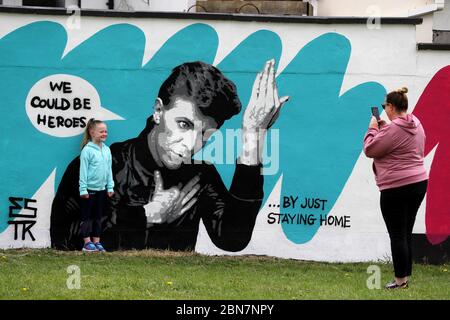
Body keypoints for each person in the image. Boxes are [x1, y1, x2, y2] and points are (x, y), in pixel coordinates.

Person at [51, 59, 289, 252]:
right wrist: (145, 216)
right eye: (184, 124)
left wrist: (253, 137)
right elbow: (65, 240)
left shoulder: (200, 174)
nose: (191, 144)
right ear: (158, 111)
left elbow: (232, 239)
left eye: (205, 134)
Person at [363, 87, 428, 289]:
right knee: (406, 232)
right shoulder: (415, 123)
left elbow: (370, 149)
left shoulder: (393, 129)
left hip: (396, 187)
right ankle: (405, 277)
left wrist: (373, 128)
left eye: (385, 107)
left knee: (397, 235)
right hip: (418, 183)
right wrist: (385, 129)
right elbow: (402, 143)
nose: (384, 110)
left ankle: (400, 281)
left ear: (391, 106)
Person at [78, 118, 114, 252]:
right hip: (88, 190)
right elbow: (83, 171)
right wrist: (83, 189)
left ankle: (96, 241)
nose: (104, 134)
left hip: (102, 190)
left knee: (98, 216)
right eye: (101, 132)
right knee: (87, 217)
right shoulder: (87, 150)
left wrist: (110, 186)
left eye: (105, 131)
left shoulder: (107, 150)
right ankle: (87, 243)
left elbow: (109, 169)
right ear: (92, 132)